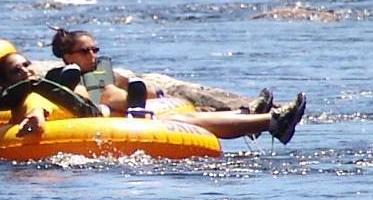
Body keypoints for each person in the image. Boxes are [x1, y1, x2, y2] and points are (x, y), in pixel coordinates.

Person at [0, 43, 306, 144]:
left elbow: (28, 113)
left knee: (186, 119)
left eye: (26, 65)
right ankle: (269, 121)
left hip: (104, 120)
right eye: (17, 71)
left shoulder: (37, 92)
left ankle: (259, 120)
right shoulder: (32, 96)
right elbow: (34, 114)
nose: (27, 71)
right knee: (187, 120)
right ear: (7, 82)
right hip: (100, 125)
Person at [47, 27, 306, 142]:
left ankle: (250, 116)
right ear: (68, 56)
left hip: (125, 111)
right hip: (98, 116)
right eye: (85, 51)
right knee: (190, 120)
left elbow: (147, 90)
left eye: (95, 49)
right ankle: (270, 122)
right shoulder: (56, 75)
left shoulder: (103, 72)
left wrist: (142, 88)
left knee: (191, 115)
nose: (92, 55)